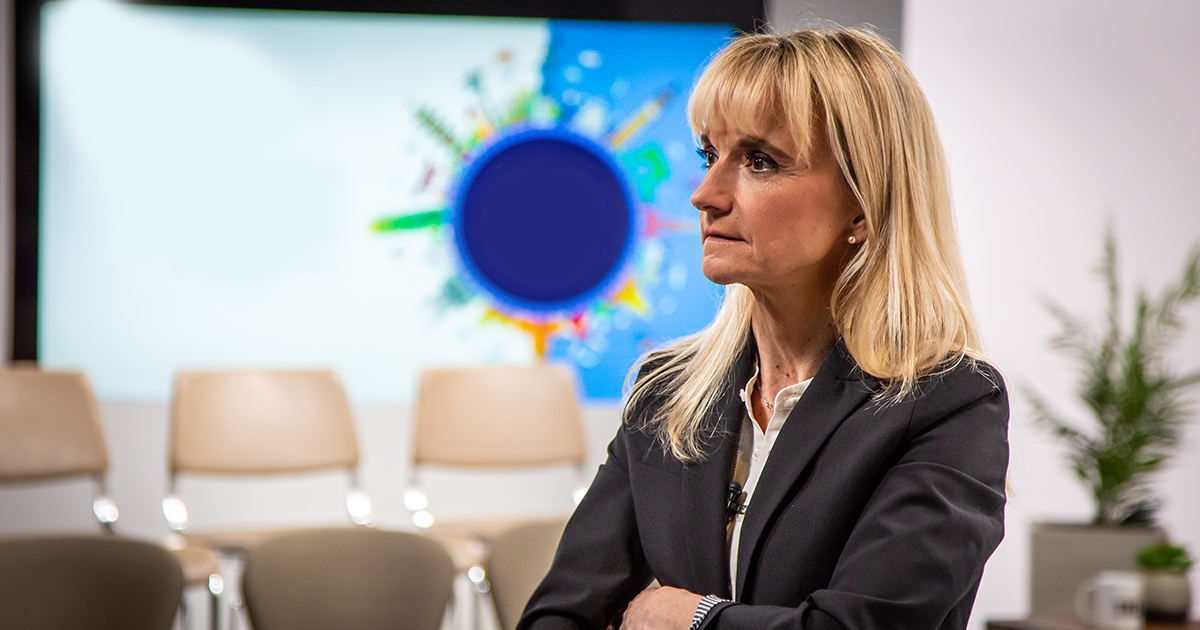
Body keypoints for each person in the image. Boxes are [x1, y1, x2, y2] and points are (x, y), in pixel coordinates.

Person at [518, 27, 1009, 630]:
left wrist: (695, 620)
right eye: (708, 155)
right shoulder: (668, 391)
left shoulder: (950, 401)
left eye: (759, 161)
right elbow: (562, 613)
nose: (705, 195)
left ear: (863, 203)